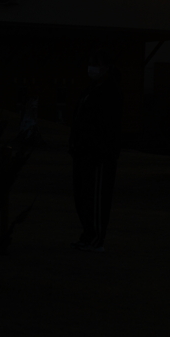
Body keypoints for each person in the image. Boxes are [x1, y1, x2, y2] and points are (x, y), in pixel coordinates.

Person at [69, 56, 123, 249]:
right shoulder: (91, 90)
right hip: (84, 153)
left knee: (97, 197)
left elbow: (109, 125)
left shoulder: (110, 92)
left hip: (99, 155)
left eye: (97, 64)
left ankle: (96, 237)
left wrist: (103, 150)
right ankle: (88, 234)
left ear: (107, 68)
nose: (92, 68)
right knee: (83, 196)